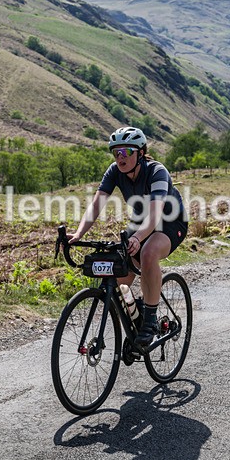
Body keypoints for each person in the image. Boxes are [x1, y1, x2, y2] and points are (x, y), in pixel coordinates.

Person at [69, 126, 188, 349]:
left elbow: (154, 215)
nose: (120, 157)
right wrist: (78, 234)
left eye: (126, 152)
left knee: (148, 252)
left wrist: (138, 237)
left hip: (170, 221)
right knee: (120, 274)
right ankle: (136, 318)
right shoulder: (114, 171)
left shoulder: (157, 171)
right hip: (141, 222)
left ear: (140, 153)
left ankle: (150, 320)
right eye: (116, 153)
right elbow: (95, 207)